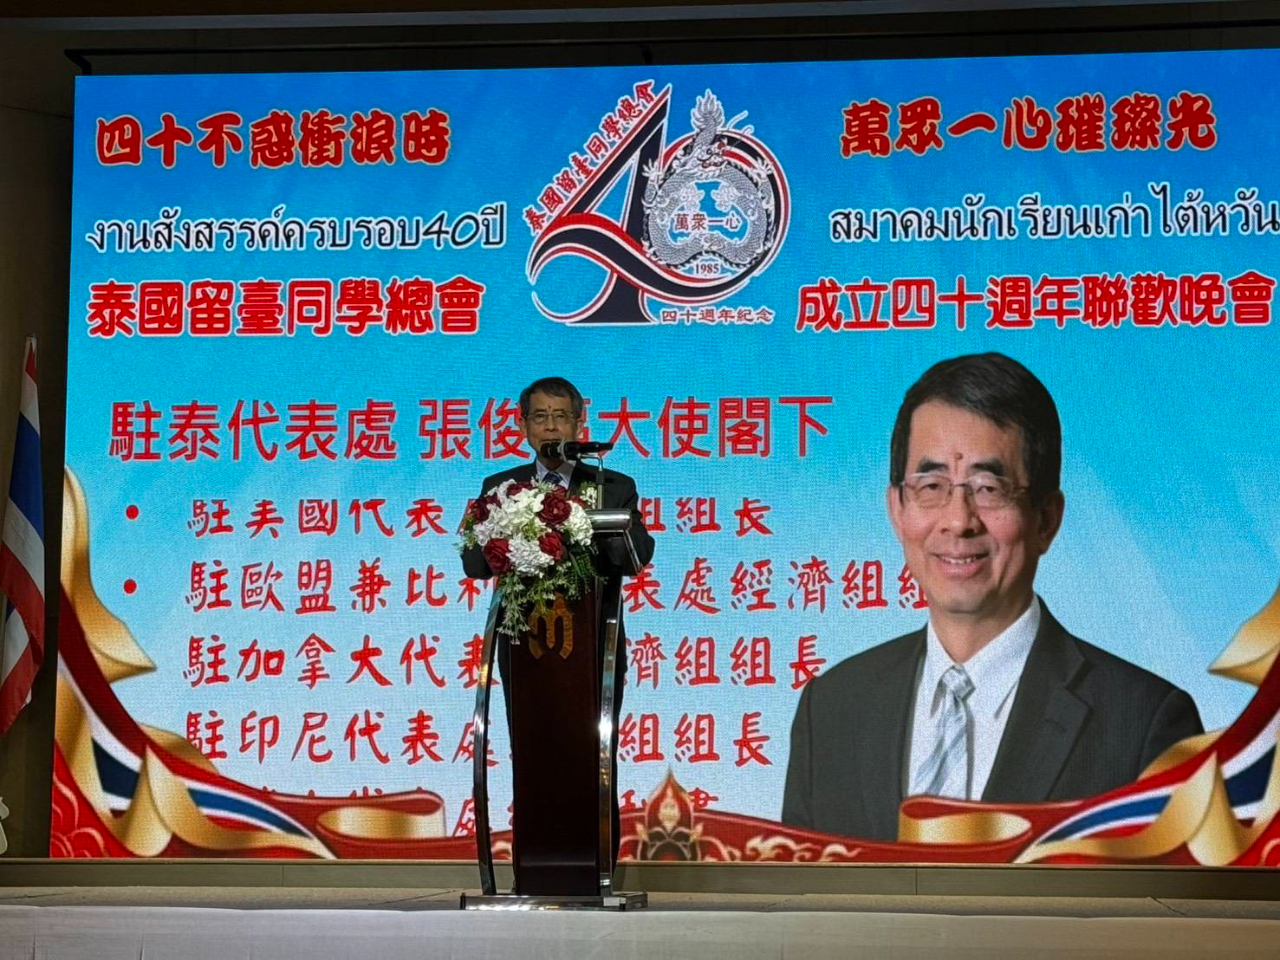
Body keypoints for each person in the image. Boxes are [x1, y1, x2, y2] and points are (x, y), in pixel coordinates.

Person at [781, 353, 1203, 841]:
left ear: (1046, 519)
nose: (958, 521)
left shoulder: (1145, 724)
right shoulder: (832, 710)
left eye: (989, 488)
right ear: (897, 509)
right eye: (931, 486)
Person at [460, 376, 654, 866]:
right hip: (524, 649)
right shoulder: (500, 488)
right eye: (541, 417)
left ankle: (596, 868)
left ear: (578, 424)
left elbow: (636, 555)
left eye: (561, 416)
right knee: (532, 750)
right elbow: (474, 564)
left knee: (592, 753)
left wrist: (589, 524)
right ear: (523, 425)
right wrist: (505, 534)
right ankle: (535, 867)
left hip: (591, 647)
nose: (551, 426)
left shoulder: (612, 485)